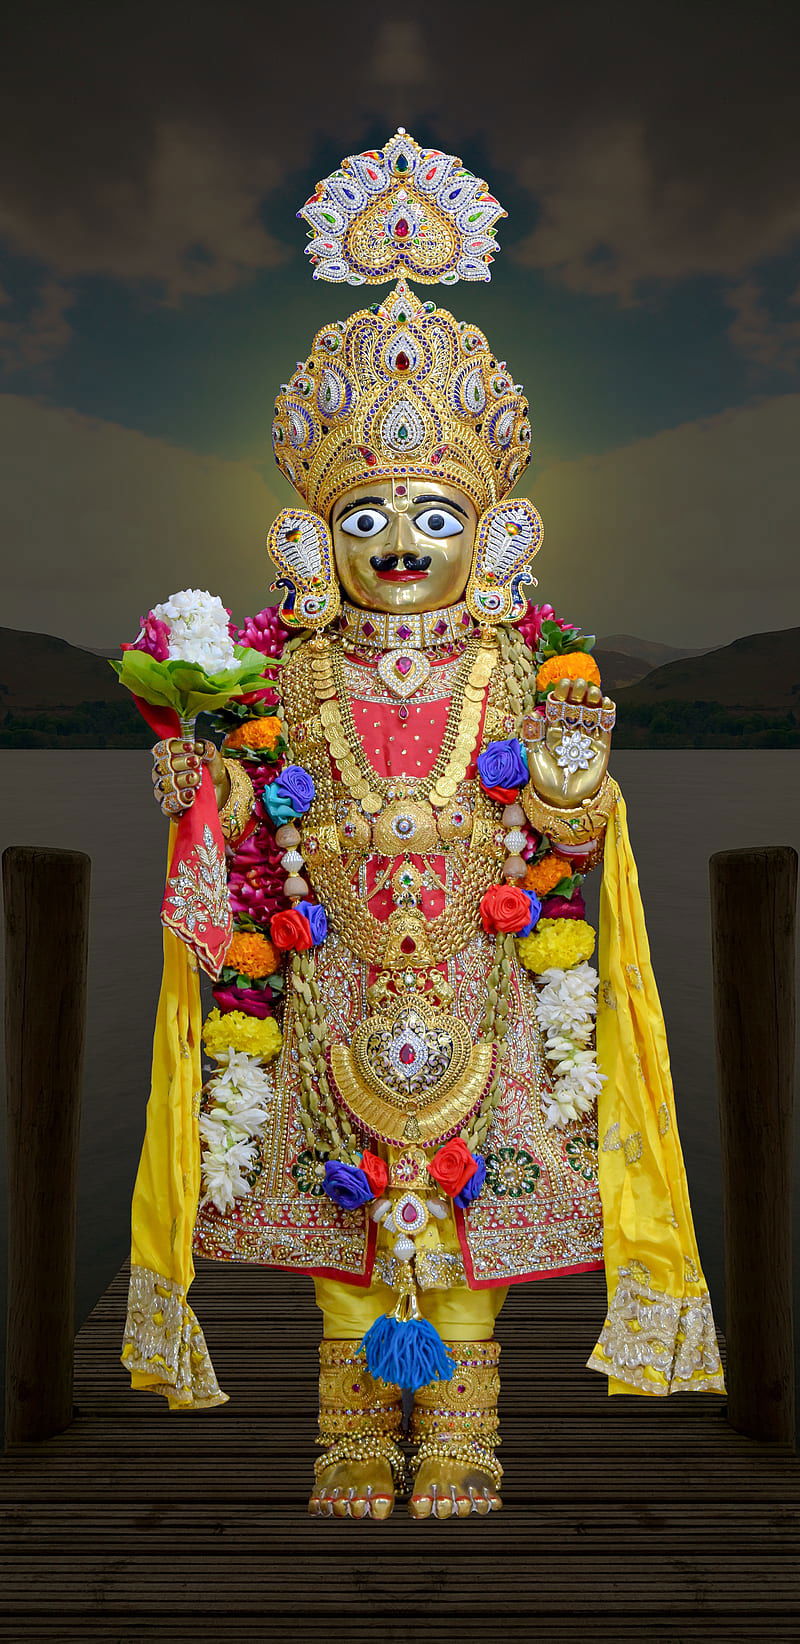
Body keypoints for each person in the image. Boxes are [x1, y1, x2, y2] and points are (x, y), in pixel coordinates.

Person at [125, 131, 726, 1521]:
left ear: (499, 535)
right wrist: (199, 787)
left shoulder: (530, 662)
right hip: (329, 959)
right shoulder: (287, 669)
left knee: (477, 1205)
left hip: (488, 970)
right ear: (309, 542)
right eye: (371, 514)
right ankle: (348, 1443)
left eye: (436, 511)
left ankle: (458, 1444)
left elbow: (568, 835)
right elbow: (247, 822)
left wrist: (578, 785)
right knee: (345, 1204)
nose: (401, 540)